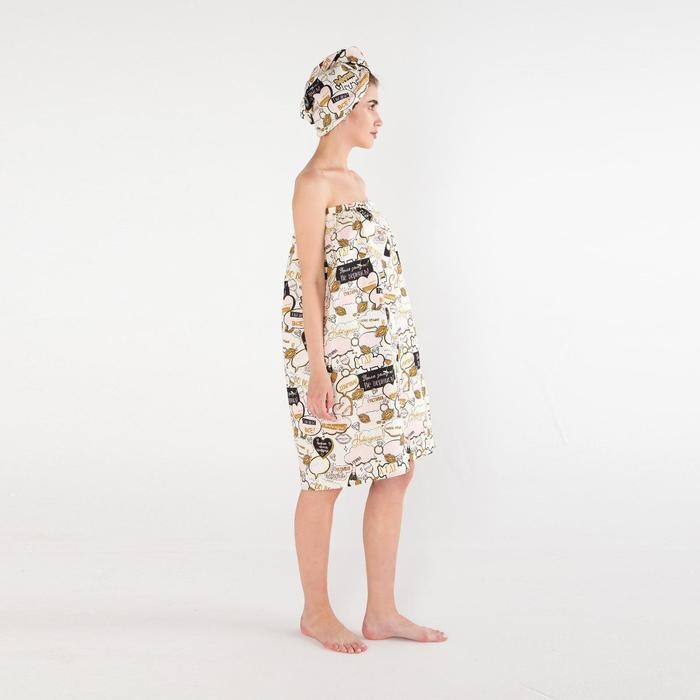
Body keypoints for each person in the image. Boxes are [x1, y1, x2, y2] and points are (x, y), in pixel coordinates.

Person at [281, 46, 446, 653]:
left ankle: (382, 611)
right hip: (333, 356)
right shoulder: (312, 185)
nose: (379, 118)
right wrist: (318, 369)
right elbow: (309, 282)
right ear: (342, 107)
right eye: (370, 105)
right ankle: (316, 612)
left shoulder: (355, 182)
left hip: (387, 351)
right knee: (326, 475)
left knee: (397, 468)